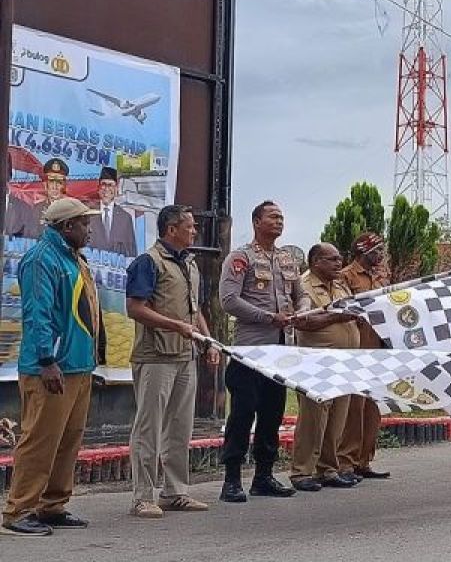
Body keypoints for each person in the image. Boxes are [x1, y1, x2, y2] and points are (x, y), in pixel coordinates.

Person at [1, 198, 104, 536]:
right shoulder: (40, 259)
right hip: (51, 367)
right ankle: (18, 511)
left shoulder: (73, 258)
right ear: (67, 226)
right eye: (84, 224)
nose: (89, 231)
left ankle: (52, 505)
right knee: (41, 440)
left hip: (77, 365)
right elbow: (37, 314)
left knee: (68, 440)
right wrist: (46, 360)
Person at [124, 204, 217, 518]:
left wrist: (208, 341)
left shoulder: (189, 263)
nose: (194, 231)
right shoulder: (148, 262)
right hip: (155, 356)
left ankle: (175, 491)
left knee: (180, 426)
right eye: (189, 226)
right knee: (149, 427)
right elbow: (135, 308)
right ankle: (142, 496)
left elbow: (195, 309)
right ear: (171, 229)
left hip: (185, 354)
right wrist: (175, 326)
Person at [217, 201, 303, 502]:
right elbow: (229, 300)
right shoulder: (241, 257)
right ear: (256, 221)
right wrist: (268, 317)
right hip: (250, 350)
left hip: (280, 351)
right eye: (273, 217)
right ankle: (231, 479)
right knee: (242, 414)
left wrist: (300, 313)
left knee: (272, 414)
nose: (279, 221)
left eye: (282, 217)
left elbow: (301, 296)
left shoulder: (287, 258)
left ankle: (263, 476)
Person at [290, 243, 361, 492]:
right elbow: (302, 321)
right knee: (314, 419)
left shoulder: (340, 285)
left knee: (337, 418)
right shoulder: (304, 285)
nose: (338, 263)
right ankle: (302, 471)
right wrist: (336, 317)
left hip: (345, 361)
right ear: (316, 261)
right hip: (316, 362)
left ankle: (328, 469)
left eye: (339, 258)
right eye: (332, 259)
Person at [337, 232, 391, 481]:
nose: (380, 255)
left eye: (381, 250)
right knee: (354, 409)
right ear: (362, 251)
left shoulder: (381, 277)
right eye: (376, 250)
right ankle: (345, 462)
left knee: (373, 407)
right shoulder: (346, 276)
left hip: (378, 349)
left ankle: (364, 460)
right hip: (357, 349)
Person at [88, 166, 137, 257]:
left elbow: (132, 253)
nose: (106, 189)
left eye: (110, 185)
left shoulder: (125, 218)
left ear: (116, 189)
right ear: (98, 188)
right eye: (103, 184)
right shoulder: (88, 214)